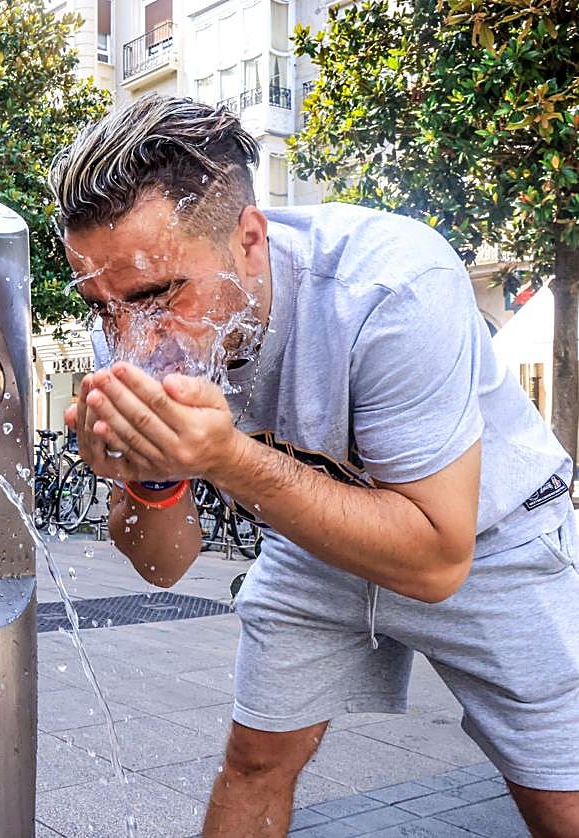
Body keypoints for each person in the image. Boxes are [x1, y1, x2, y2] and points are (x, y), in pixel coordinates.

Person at [52, 94, 579, 836]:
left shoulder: (389, 286)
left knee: (557, 794)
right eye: (102, 306)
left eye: (156, 296)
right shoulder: (127, 324)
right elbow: (162, 569)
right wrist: (151, 478)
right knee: (254, 763)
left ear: (249, 238)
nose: (132, 339)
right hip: (309, 541)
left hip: (489, 538)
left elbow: (435, 562)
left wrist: (226, 457)